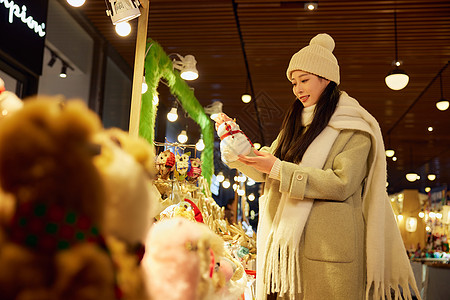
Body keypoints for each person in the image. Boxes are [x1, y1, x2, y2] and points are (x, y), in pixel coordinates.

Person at [214, 33, 420, 300]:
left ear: (326, 79)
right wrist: (237, 145)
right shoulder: (295, 124)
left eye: (304, 80)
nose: (297, 89)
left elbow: (342, 183)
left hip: (330, 254)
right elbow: (266, 167)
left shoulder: (353, 127)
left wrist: (279, 169)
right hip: (287, 257)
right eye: (293, 82)